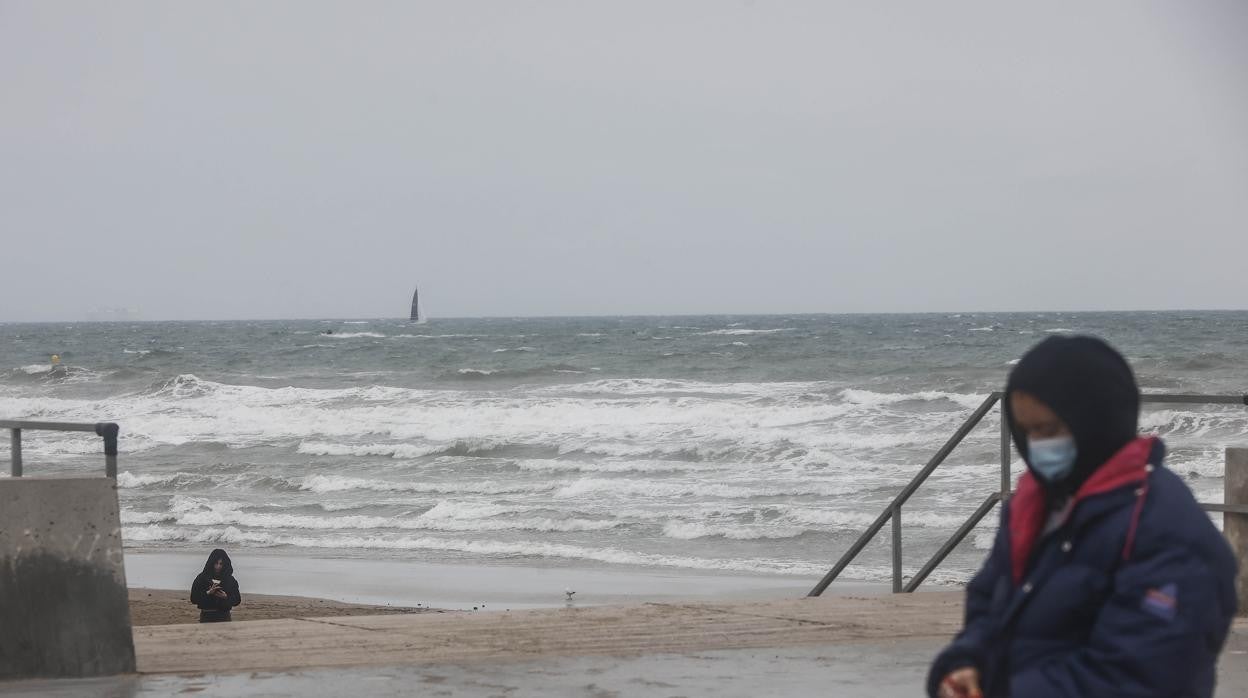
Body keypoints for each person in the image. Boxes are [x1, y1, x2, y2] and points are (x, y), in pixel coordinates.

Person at [929, 336, 1237, 698]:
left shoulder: (1167, 532)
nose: (1037, 445)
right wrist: (964, 665)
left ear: (1097, 421)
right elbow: (988, 602)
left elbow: (1142, 676)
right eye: (1027, 431)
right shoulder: (1034, 505)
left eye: (1050, 429)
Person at [190, 548, 242, 622]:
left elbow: (237, 600)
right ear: (211, 563)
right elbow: (193, 598)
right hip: (207, 615)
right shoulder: (202, 578)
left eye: (221, 564)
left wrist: (226, 597)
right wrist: (208, 593)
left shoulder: (230, 579)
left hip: (224, 615)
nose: (218, 566)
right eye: (216, 563)